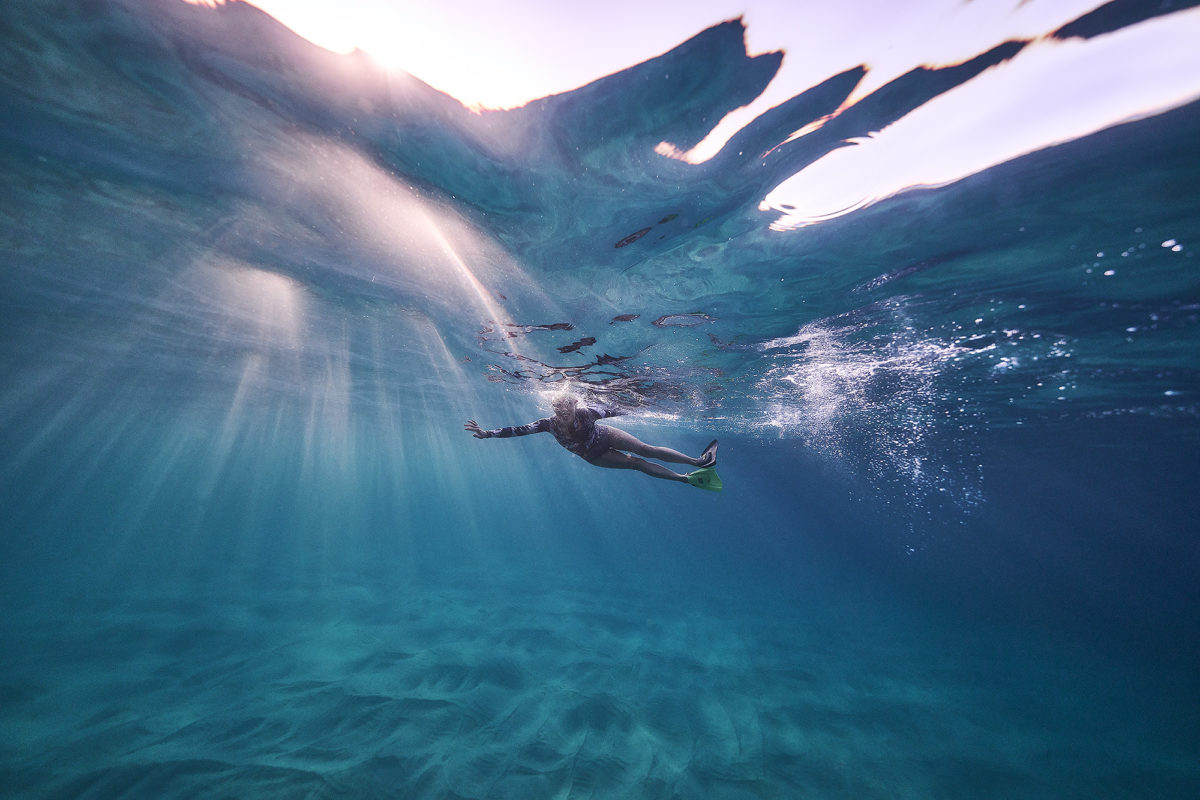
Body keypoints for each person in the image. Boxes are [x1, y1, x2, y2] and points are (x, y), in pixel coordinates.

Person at [464, 394, 721, 490]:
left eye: (565, 408)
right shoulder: (547, 424)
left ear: (575, 405)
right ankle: (686, 478)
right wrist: (487, 433)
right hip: (594, 455)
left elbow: (619, 408)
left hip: (605, 435)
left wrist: (652, 401)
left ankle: (699, 461)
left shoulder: (589, 413)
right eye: (557, 408)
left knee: (646, 449)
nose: (560, 413)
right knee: (637, 463)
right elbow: (517, 430)